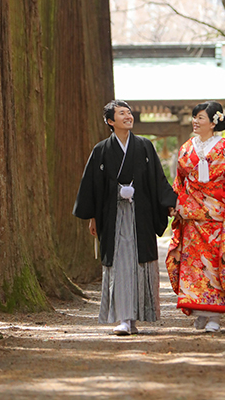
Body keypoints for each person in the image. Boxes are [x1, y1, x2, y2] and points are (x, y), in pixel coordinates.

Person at [73, 99, 177, 336]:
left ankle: (134, 318)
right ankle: (123, 318)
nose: (128, 116)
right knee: (119, 265)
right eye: (122, 113)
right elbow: (92, 186)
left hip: (139, 215)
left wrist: (169, 203)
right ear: (111, 121)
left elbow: (157, 179)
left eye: (129, 112)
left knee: (138, 264)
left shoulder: (144, 146)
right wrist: (93, 217)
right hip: (113, 215)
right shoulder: (101, 150)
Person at [166, 100, 225, 333]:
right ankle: (198, 309)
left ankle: (215, 316)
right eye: (194, 117)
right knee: (194, 267)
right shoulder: (187, 147)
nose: (195, 121)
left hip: (218, 217)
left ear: (213, 122)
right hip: (191, 216)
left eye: (200, 118)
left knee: (216, 266)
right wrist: (174, 203)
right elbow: (180, 181)